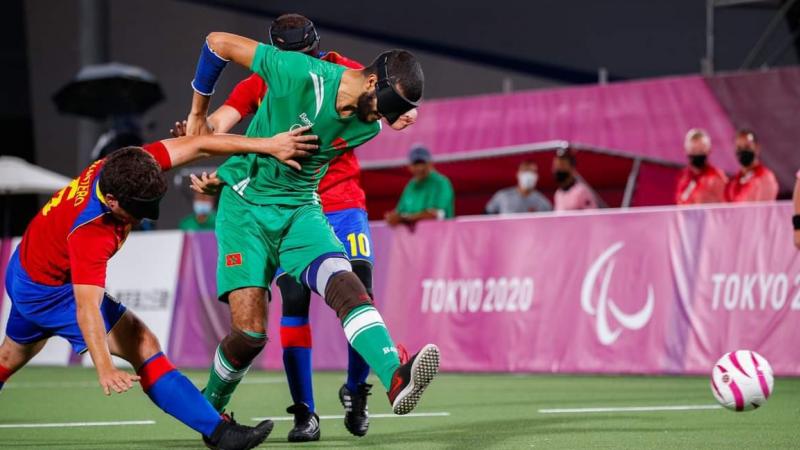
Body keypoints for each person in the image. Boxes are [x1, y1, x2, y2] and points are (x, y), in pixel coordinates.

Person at [185, 30, 440, 438]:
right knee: (249, 335)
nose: (377, 121)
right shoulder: (295, 71)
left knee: (348, 284)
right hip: (245, 213)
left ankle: (395, 373)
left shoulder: (369, 124)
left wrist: (401, 109)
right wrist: (199, 114)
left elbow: (380, 110)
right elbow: (216, 42)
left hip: (302, 210)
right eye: (383, 109)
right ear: (372, 83)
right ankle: (210, 412)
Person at [0, 131, 317, 450]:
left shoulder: (128, 166)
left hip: (25, 267)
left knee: (9, 357)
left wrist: (269, 145)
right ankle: (219, 434)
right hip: (49, 291)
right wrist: (105, 367)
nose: (140, 220)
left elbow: (199, 144)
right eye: (136, 212)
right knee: (143, 344)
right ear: (112, 202)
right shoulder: (91, 233)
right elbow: (86, 309)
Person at [384, 145, 455, 226]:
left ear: (430, 163)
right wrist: (392, 217)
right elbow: (399, 213)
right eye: (416, 164)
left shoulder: (441, 183)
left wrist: (404, 218)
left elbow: (436, 215)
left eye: (422, 163)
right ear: (409, 166)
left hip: (441, 236)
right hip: (415, 238)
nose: (419, 168)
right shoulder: (410, 186)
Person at [675, 128, 728, 205]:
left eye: (701, 151)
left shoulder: (717, 177)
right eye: (693, 150)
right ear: (686, 150)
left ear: (709, 150)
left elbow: (726, 208)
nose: (697, 154)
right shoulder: (683, 176)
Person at [725, 129, 779, 203]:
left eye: (747, 147)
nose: (743, 151)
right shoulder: (733, 182)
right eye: (739, 148)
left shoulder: (765, 177)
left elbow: (764, 210)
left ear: (757, 148)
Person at [485, 160, 552, 214]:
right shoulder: (502, 196)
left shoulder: (543, 202)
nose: (529, 175)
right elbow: (486, 216)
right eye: (525, 170)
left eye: (532, 171)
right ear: (518, 174)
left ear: (537, 176)